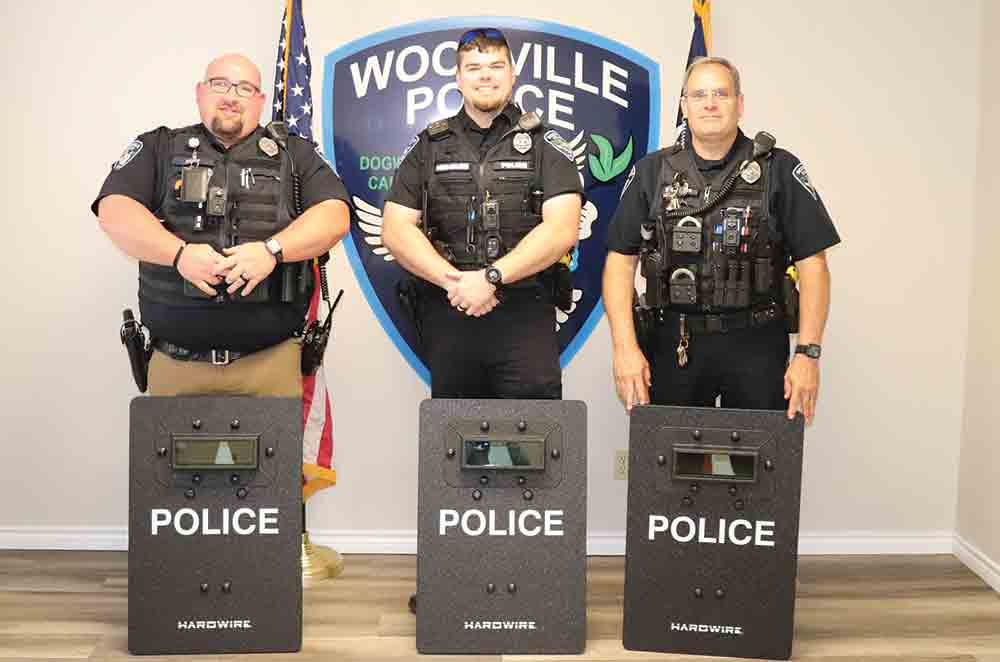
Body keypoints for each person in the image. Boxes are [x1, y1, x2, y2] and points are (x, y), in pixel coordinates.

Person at [94, 53, 350, 396]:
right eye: (220, 84)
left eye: (244, 88)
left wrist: (271, 251)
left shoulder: (294, 154)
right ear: (200, 92)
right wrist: (179, 254)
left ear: (260, 101)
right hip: (175, 366)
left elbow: (335, 215)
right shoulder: (160, 148)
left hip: (270, 366)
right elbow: (114, 210)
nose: (231, 96)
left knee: (279, 452)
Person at [603, 56, 840, 424]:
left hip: (756, 342)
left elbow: (813, 264)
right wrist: (624, 348)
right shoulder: (653, 172)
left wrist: (808, 355)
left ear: (740, 104)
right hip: (675, 342)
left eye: (721, 94)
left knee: (760, 467)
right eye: (698, 95)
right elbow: (620, 260)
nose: (710, 103)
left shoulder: (778, 169)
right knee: (670, 467)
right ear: (684, 106)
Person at [382, 27, 583, 400]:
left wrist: (491, 277)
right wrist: (456, 283)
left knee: (532, 441)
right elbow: (395, 230)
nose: (485, 75)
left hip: (524, 311)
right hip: (451, 310)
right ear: (458, 79)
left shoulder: (546, 144)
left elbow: (562, 229)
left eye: (495, 65)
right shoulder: (428, 146)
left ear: (512, 74)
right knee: (454, 440)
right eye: (473, 67)